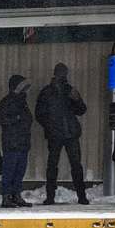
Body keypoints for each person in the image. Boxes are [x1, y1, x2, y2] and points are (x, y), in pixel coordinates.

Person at [35, 63, 89, 205]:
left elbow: (82, 110)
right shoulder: (47, 92)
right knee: (55, 165)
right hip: (60, 132)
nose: (63, 76)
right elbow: (39, 114)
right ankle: (52, 196)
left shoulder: (66, 90)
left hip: (68, 132)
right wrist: (50, 126)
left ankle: (80, 196)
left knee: (73, 165)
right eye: (61, 73)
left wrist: (77, 99)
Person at [0, 75, 34, 208]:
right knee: (9, 170)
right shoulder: (7, 101)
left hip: (23, 142)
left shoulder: (22, 102)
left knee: (19, 171)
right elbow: (1, 119)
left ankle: (16, 195)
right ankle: (7, 196)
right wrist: (17, 118)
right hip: (11, 142)